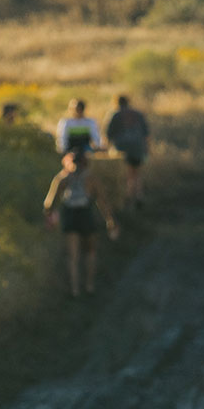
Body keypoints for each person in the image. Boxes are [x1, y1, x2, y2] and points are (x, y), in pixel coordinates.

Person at [44, 149, 119, 298]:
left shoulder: (62, 178)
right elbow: (102, 201)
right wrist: (110, 220)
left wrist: (51, 220)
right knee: (90, 252)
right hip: (86, 215)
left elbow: (48, 204)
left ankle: (74, 289)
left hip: (70, 216)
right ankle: (89, 286)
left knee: (73, 255)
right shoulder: (91, 178)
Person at [105, 94, 149, 206]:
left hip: (121, 149)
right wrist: (147, 149)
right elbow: (146, 134)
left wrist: (106, 149)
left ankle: (128, 197)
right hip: (138, 147)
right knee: (137, 173)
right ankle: (139, 196)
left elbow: (108, 134)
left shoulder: (115, 114)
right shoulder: (138, 114)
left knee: (126, 174)